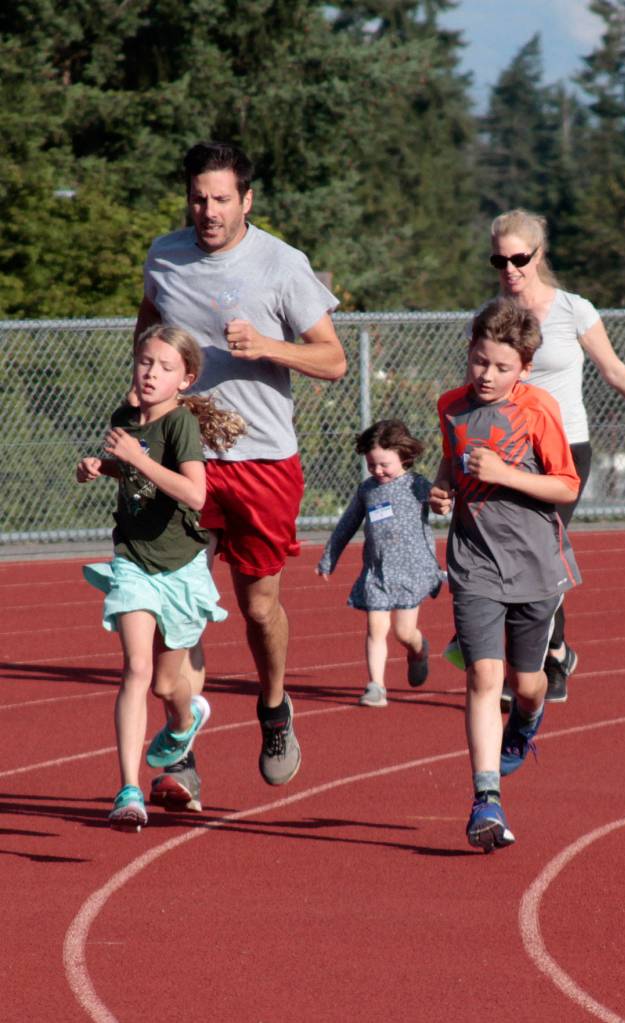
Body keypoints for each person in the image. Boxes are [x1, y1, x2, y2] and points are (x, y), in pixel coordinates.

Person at [134, 141, 347, 804]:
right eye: (199, 198)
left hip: (261, 461)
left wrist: (267, 346)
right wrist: (140, 413)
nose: (209, 211)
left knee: (258, 606)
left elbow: (333, 359)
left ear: (245, 200)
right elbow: (146, 337)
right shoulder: (164, 256)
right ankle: (181, 750)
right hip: (183, 457)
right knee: (179, 611)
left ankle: (275, 708)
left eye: (222, 198)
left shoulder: (281, 264)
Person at [448, 208, 625, 703]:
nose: (509, 268)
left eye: (518, 257)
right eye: (498, 258)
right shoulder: (491, 318)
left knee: (539, 548)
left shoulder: (574, 309)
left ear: (537, 255)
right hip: (502, 450)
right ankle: (548, 653)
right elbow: (473, 390)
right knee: (513, 553)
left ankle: (536, 658)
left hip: (562, 449)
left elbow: (614, 370)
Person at [77, 325, 245, 830]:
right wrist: (102, 468)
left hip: (180, 566)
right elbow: (131, 474)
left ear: (185, 379)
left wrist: (133, 458)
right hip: (132, 558)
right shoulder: (125, 419)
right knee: (136, 669)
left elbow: (194, 495)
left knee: (166, 685)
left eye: (165, 367)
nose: (151, 373)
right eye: (145, 362)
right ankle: (129, 790)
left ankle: (185, 719)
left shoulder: (179, 427)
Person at [430, 297, 582, 852]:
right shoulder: (450, 405)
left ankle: (528, 717)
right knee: (481, 680)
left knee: (525, 684)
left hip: (536, 564)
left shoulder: (538, 409)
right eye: (478, 362)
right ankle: (486, 800)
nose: (486, 375)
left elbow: (566, 486)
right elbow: (452, 457)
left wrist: (505, 474)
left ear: (524, 369)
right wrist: (443, 488)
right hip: (473, 562)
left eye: (500, 367)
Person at [316, 420, 446, 707]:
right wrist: (329, 558)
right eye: (371, 464)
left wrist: (447, 501)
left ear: (404, 456)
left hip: (411, 571)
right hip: (377, 573)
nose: (377, 471)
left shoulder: (418, 485)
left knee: (403, 632)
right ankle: (376, 685)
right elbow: (347, 524)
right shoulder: (368, 490)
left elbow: (444, 502)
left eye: (384, 464)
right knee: (375, 628)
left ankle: (418, 649)